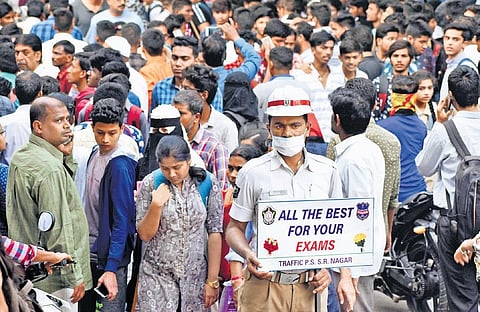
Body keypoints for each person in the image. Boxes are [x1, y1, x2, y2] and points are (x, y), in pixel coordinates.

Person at [226, 86, 355, 312]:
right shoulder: (253, 172)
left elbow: (340, 230)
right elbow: (234, 228)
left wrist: (340, 273)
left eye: (295, 125)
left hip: (311, 288)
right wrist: (248, 255)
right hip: (264, 287)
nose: (287, 134)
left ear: (307, 128)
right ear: (269, 128)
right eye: (279, 126)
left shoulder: (328, 171)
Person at [6, 96, 92, 310]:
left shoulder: (21, 156)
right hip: (56, 276)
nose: (67, 126)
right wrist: (75, 275)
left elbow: (62, 194)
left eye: (67, 119)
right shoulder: (49, 169)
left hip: (29, 271)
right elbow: (60, 228)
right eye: (58, 121)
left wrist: (65, 157)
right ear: (38, 127)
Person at [416, 65, 480, 312]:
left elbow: (424, 167)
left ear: (450, 96)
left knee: (461, 296)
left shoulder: (444, 130)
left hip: (455, 223)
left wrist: (438, 124)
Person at [135, 135, 223, 311]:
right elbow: (144, 234)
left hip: (195, 277)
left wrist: (212, 280)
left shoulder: (206, 183)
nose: (172, 174)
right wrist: (156, 205)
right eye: (165, 168)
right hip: (157, 276)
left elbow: (214, 231)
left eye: (177, 167)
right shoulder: (151, 183)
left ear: (188, 161)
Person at [329, 87, 385, 312]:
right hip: (357, 253)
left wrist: (351, 270)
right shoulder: (367, 149)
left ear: (338, 120)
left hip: (355, 255)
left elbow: (359, 215)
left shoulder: (354, 160)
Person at [79, 98, 137, 311]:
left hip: (109, 258)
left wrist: (112, 266)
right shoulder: (94, 153)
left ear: (122, 128)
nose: (105, 139)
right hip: (89, 252)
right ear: (92, 127)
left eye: (112, 133)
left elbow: (123, 220)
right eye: (100, 132)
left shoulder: (120, 164)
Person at [377, 75, 427, 203]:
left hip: (391, 194)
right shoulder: (421, 127)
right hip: (418, 192)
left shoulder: (381, 128)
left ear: (392, 97)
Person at [172, 90, 229, 191]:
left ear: (196, 117)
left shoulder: (214, 148)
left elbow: (221, 190)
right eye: (173, 112)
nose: (175, 118)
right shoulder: (168, 141)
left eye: (181, 113)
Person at [182, 64, 238, 153]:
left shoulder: (225, 126)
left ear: (204, 95)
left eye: (187, 89)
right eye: (182, 88)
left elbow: (230, 161)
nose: (181, 93)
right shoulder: (179, 119)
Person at [0, 71, 42, 165]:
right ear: (40, 93)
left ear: (14, 92)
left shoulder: (3, 123)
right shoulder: (45, 123)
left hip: (9, 177)